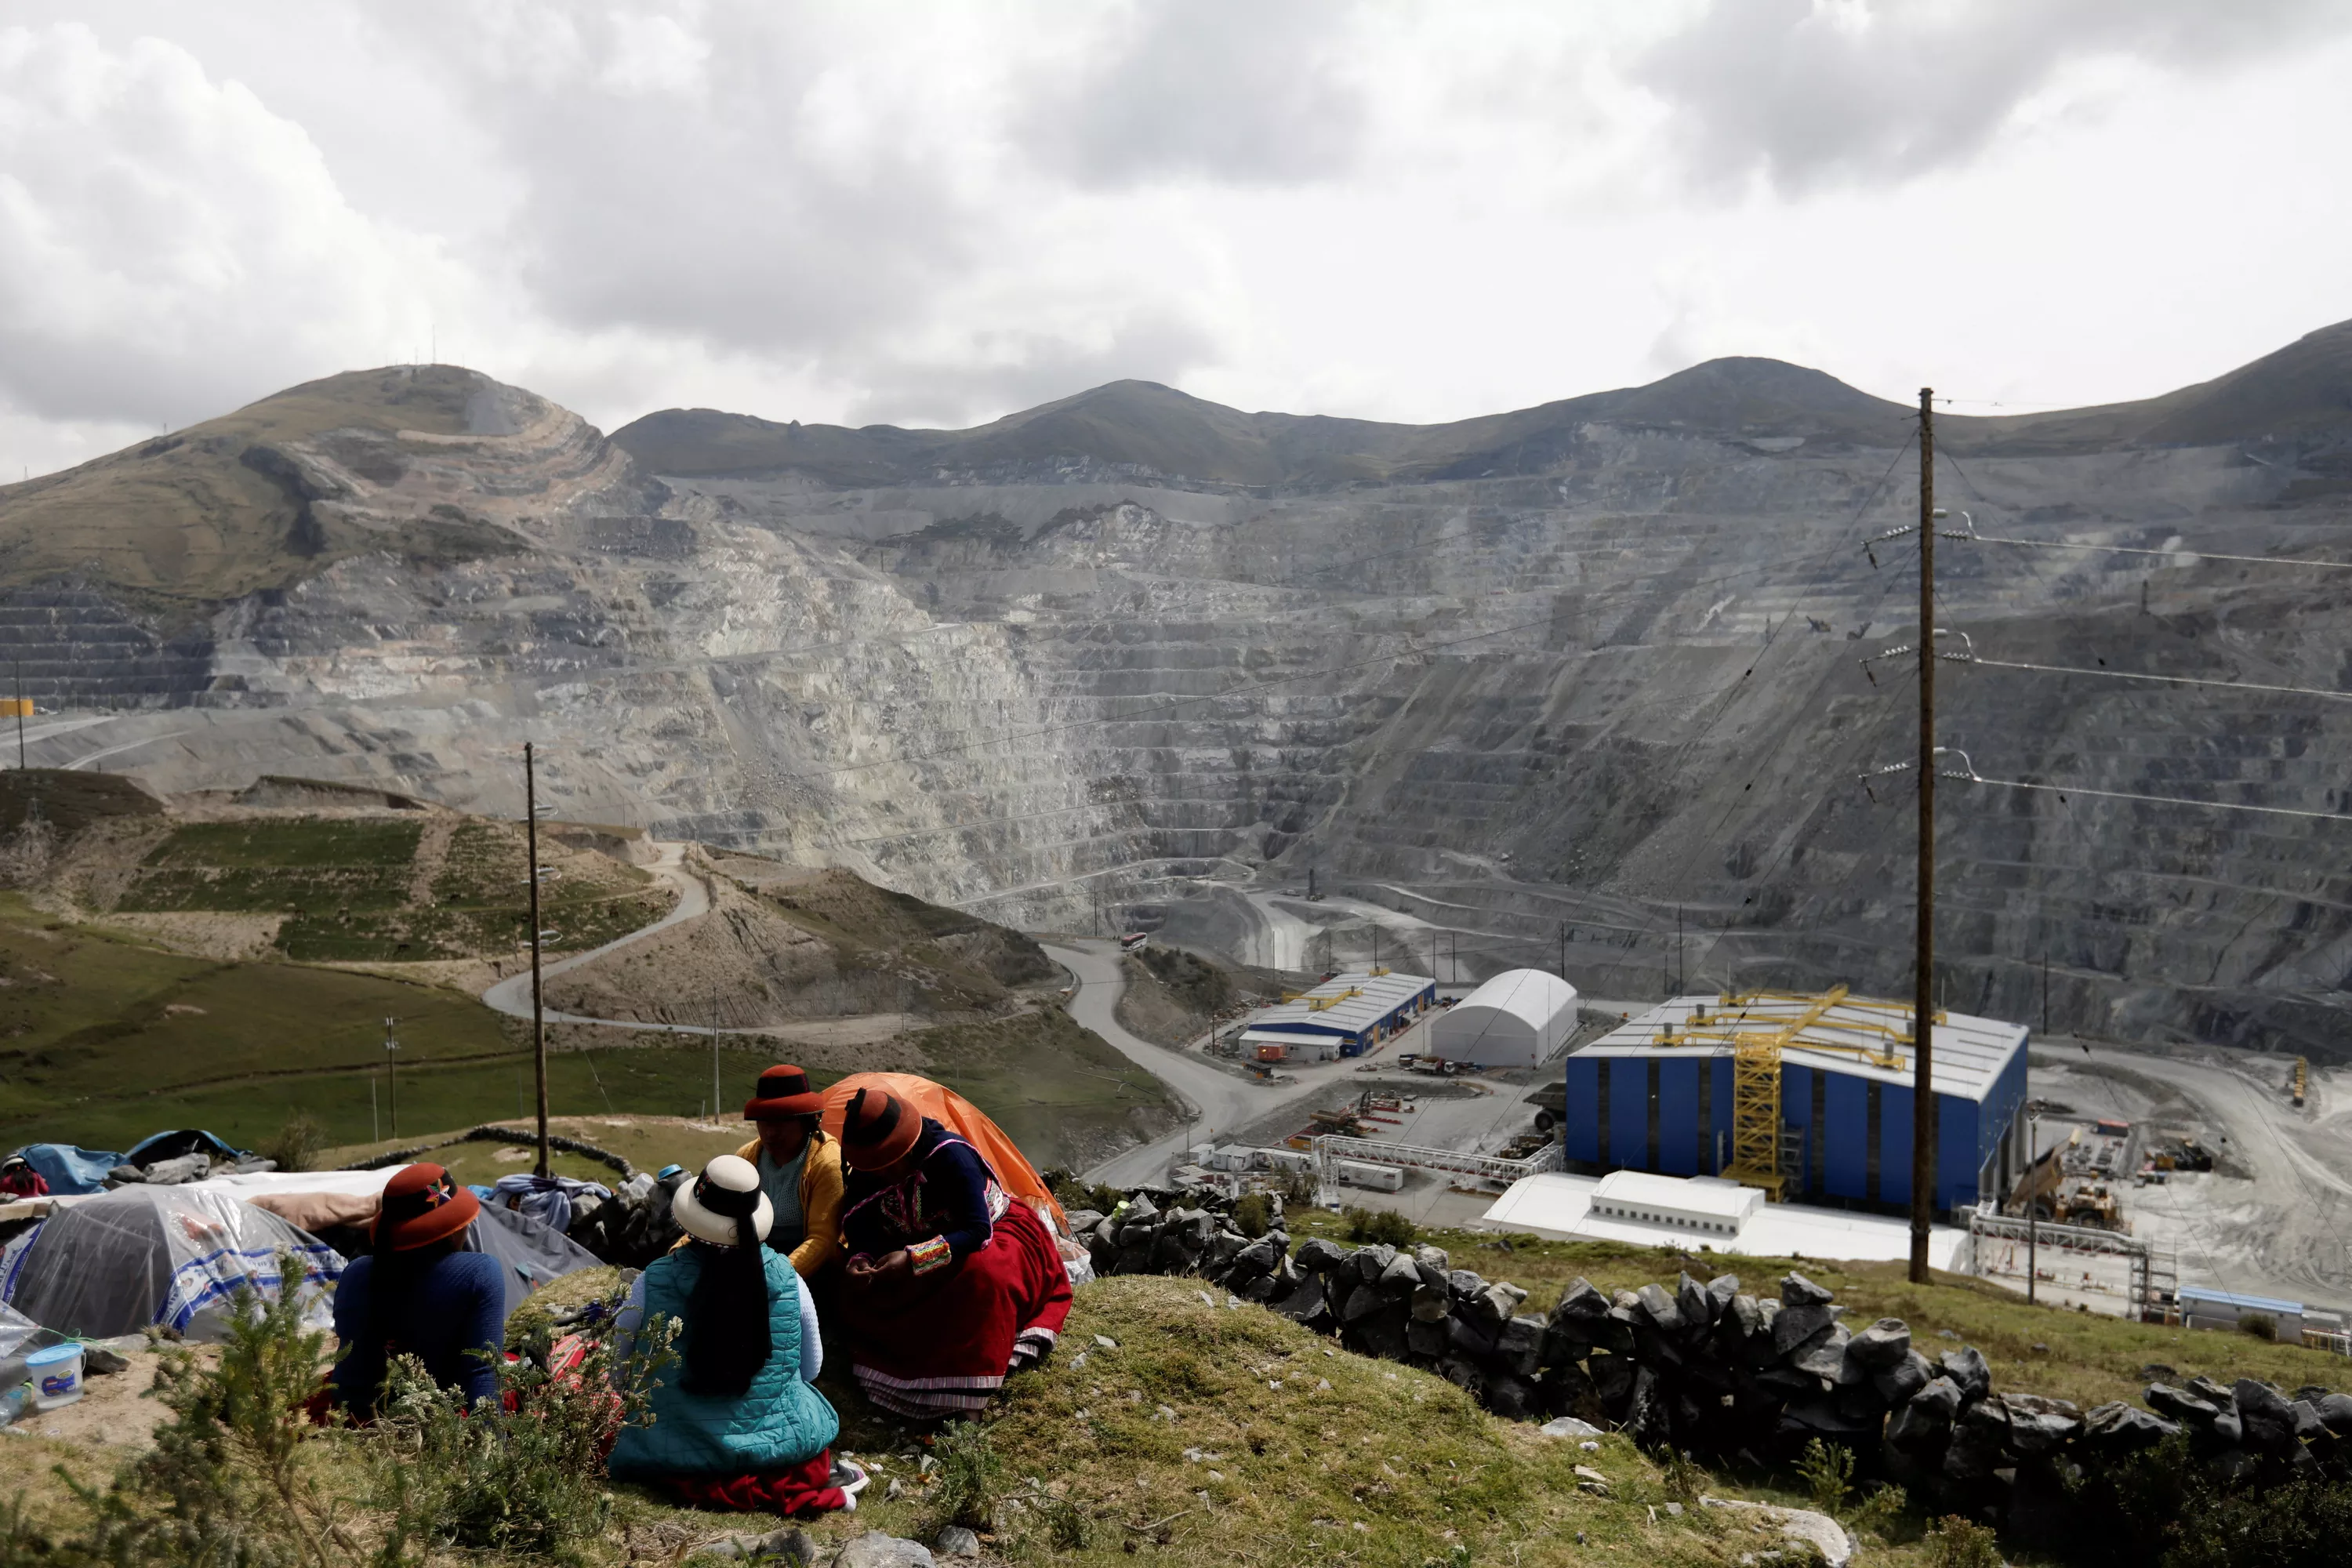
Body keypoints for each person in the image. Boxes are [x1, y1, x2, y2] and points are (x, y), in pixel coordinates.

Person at [606, 1155, 853, 1515]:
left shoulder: (654, 1280)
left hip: (671, 1441)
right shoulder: (788, 1278)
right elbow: (811, 1367)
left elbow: (618, 1366)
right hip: (776, 1444)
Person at [836, 1085, 1073, 1421]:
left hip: (989, 1234)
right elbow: (863, 1224)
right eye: (875, 1167)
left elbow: (977, 1231)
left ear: (907, 1145)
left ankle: (966, 1391)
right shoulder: (869, 1169)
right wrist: (860, 1259)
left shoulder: (950, 1156)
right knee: (858, 1290)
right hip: (914, 1243)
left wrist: (915, 1259)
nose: (883, 1175)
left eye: (889, 1164)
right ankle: (908, 1377)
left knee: (981, 1279)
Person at [328, 1163, 505, 1417]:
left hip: (355, 1419)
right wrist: (500, 1451)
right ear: (454, 1228)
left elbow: (349, 1375)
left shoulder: (355, 1272)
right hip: (432, 1424)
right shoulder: (480, 1273)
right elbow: (482, 1374)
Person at [730, 1064, 845, 1279]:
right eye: (763, 1122)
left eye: (782, 1122)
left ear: (806, 1121)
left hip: (810, 1273)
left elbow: (822, 1240)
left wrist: (773, 1279)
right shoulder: (747, 1158)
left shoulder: (826, 1163)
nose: (770, 1133)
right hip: (754, 1262)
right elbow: (717, 1214)